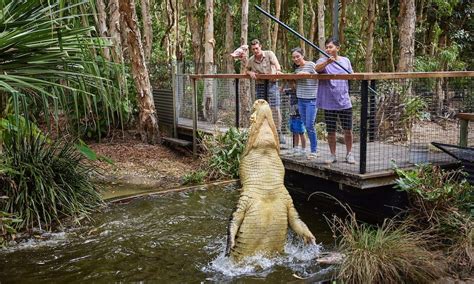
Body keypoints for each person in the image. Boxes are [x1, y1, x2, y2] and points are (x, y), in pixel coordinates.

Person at [315, 38, 355, 164]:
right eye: (326, 47)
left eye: (331, 47)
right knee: (331, 131)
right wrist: (327, 62)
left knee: (347, 129)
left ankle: (349, 154)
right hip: (329, 102)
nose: (328, 49)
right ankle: (333, 155)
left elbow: (351, 75)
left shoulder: (345, 60)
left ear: (337, 48)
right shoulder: (323, 60)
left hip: (344, 101)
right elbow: (317, 69)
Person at [245, 39, 285, 143]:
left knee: (275, 108)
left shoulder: (269, 54)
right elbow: (246, 70)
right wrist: (250, 73)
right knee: (260, 109)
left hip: (272, 84)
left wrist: (278, 70)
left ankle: (278, 132)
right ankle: (262, 132)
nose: (255, 50)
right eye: (253, 49)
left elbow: (277, 64)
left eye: (257, 48)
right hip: (260, 85)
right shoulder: (251, 59)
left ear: (260, 47)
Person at [291, 47, 319, 159]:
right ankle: (303, 149)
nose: (296, 59)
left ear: (303, 55)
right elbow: (295, 84)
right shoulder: (296, 69)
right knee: (302, 125)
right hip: (300, 99)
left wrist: (306, 73)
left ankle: (314, 151)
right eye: (293, 57)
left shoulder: (311, 64)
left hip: (312, 99)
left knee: (309, 125)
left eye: (297, 56)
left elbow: (319, 77)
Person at [285, 85, 306, 155]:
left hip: (299, 114)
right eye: (290, 83)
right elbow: (281, 91)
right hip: (292, 113)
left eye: (292, 83)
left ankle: (303, 149)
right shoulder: (291, 90)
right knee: (295, 131)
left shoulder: (300, 91)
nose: (291, 84)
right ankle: (296, 148)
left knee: (301, 132)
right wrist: (284, 82)